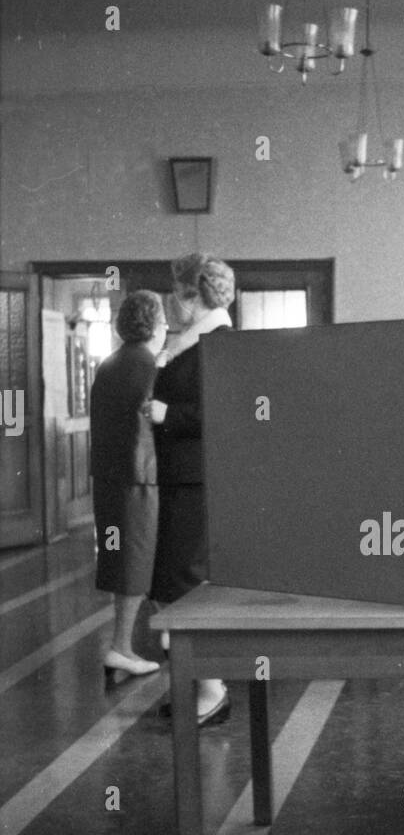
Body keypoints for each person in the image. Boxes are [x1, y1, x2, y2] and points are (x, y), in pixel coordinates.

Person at [150, 254, 235, 725]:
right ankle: (201, 686)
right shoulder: (189, 341)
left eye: (178, 292)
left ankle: (212, 691)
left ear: (195, 295)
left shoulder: (218, 343)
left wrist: (170, 416)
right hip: (180, 476)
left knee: (185, 583)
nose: (172, 301)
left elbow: (226, 413)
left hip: (198, 477)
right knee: (173, 582)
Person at [90, 289, 167, 677]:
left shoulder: (109, 363)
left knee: (123, 560)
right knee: (136, 563)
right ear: (153, 324)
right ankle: (121, 646)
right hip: (140, 478)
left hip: (108, 479)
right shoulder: (152, 365)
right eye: (163, 319)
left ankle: (149, 633)